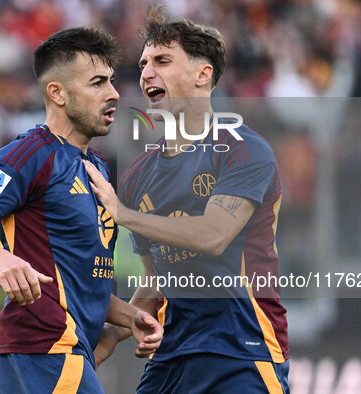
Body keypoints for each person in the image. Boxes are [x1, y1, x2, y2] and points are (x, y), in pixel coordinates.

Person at [0, 27, 163, 393]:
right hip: (43, 347)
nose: (114, 94)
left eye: (112, 82)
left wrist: (129, 316)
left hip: (62, 350)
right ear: (57, 93)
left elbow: (79, 282)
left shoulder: (97, 168)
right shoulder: (29, 155)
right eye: (97, 83)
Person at [85, 6, 289, 393]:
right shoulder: (136, 176)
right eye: (144, 63)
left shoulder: (244, 149)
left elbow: (213, 235)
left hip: (242, 352)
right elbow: (156, 279)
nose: (146, 73)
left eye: (162, 60)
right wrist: (112, 334)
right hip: (171, 356)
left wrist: (123, 214)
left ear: (203, 74)